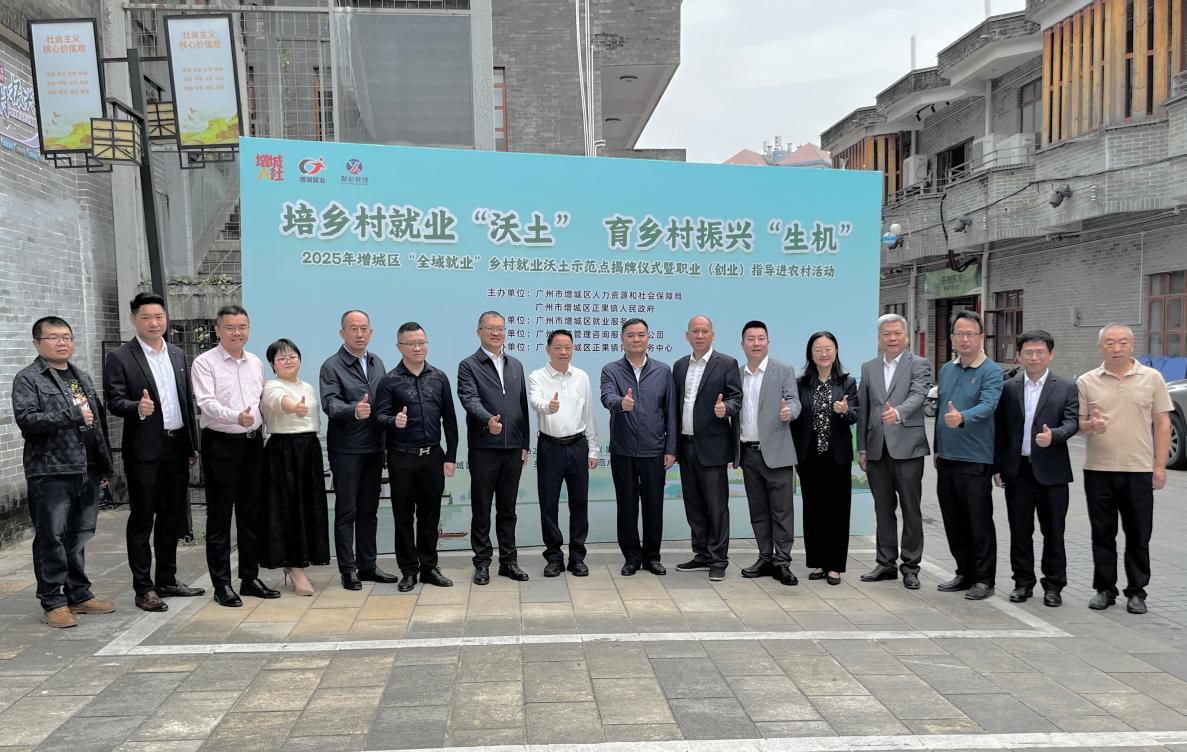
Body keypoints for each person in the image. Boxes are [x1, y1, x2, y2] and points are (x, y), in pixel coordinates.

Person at [12, 316, 115, 628]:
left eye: (67, 337)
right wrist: (70, 414)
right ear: (37, 343)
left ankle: (78, 594)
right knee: (51, 537)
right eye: (54, 337)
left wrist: (104, 465)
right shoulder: (29, 378)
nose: (62, 343)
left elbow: (96, 423)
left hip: (87, 469)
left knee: (80, 534)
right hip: (51, 471)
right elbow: (27, 420)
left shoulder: (78, 376)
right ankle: (53, 601)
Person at [104, 292, 204, 613]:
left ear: (166, 319)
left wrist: (192, 444)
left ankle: (167, 579)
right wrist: (138, 407)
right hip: (144, 450)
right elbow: (114, 400)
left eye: (159, 316)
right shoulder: (121, 357)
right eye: (146, 317)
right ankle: (144, 588)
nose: (153, 323)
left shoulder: (177, 354)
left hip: (177, 446)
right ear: (133, 319)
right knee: (143, 518)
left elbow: (186, 401)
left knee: (172, 517)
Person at [1076, 323, 1173, 615]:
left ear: (1131, 345)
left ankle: (1137, 592)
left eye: (1122, 342)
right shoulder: (1087, 381)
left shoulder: (1152, 378)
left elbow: (1163, 423)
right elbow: (1079, 425)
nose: (1116, 348)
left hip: (1139, 469)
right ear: (1100, 347)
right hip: (1098, 469)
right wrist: (1092, 425)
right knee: (1102, 533)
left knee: (1138, 534)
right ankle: (1104, 589)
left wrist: (1159, 466)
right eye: (1109, 343)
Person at [191, 304, 278, 607]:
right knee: (219, 516)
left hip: (252, 444)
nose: (236, 332)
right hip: (221, 444)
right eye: (230, 327)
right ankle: (222, 584)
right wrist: (234, 417)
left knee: (251, 513)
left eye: (242, 327)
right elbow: (205, 402)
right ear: (217, 330)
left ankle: (249, 578)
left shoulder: (255, 362)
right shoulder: (205, 363)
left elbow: (261, 401)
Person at [993, 330, 1078, 608]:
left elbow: (1072, 422)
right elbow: (1001, 430)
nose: (1034, 357)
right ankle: (1022, 582)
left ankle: (1054, 586)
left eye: (1040, 352)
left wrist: (1054, 436)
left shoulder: (1066, 386)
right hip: (1018, 471)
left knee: (1053, 532)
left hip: (1052, 472)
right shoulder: (1009, 388)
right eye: (1028, 352)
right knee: (1020, 531)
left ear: (1051, 354)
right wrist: (998, 466)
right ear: (1019, 355)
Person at [375, 322, 459, 592]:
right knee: (403, 517)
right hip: (402, 458)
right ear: (399, 347)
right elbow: (379, 416)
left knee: (430, 516)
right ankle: (409, 571)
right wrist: (394, 421)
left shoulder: (439, 377)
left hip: (433, 456)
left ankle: (429, 567)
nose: (417, 348)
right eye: (411, 343)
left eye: (422, 342)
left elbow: (450, 419)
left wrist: (451, 455)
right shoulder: (389, 380)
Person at [319, 310, 395, 591]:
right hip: (347, 449)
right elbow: (330, 404)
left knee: (369, 510)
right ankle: (347, 570)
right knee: (346, 511)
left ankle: (368, 566)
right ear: (342, 333)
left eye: (364, 328)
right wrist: (354, 410)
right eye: (353, 329)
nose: (359, 334)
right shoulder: (332, 366)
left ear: (371, 332)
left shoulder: (377, 362)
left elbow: (385, 401)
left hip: (374, 447)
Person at [856, 313, 931, 590]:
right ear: (879, 339)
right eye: (886, 334)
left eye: (897, 333)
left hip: (908, 448)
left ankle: (910, 566)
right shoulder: (869, 367)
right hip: (877, 450)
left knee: (911, 509)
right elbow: (864, 409)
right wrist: (862, 448)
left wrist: (898, 412)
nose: (892, 338)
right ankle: (885, 563)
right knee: (883, 508)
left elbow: (918, 395)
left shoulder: (919, 364)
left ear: (907, 336)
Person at [933, 310, 1003, 601]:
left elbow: (989, 405)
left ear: (981, 337)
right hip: (947, 457)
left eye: (970, 334)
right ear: (951, 338)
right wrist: (937, 447)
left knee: (978, 520)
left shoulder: (991, 371)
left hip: (975, 458)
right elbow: (940, 411)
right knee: (953, 519)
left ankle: (984, 579)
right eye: (959, 334)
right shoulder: (946, 370)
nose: (965, 339)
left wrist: (962, 417)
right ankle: (964, 572)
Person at [457, 311, 530, 585]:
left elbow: (522, 406)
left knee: (508, 509)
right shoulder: (468, 365)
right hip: (484, 448)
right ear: (479, 332)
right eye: (490, 328)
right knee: (482, 508)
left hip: (513, 449)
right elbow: (469, 399)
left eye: (500, 328)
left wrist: (525, 442)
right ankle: (482, 563)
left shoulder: (516, 365)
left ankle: (509, 561)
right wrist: (488, 420)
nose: (496, 333)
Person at [600, 318, 677, 576]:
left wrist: (671, 448)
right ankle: (632, 557)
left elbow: (671, 412)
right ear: (622, 339)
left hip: (654, 450)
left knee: (654, 506)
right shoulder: (611, 370)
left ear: (648, 338)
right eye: (631, 335)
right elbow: (607, 396)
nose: (636, 339)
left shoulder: (663, 371)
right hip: (623, 450)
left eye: (641, 334)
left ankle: (652, 557)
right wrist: (621, 403)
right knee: (627, 506)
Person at [672, 315, 742, 582]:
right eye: (695, 331)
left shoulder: (726, 363)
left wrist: (726, 409)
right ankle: (701, 553)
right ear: (687, 335)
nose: (700, 336)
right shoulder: (680, 365)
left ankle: (718, 559)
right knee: (693, 504)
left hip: (713, 447)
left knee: (716, 507)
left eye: (704, 331)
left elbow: (736, 397)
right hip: (686, 445)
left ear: (713, 334)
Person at [259, 339, 330, 597]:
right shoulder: (271, 386)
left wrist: (302, 409)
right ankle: (293, 566)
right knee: (288, 510)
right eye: (281, 358)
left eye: (293, 356)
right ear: (272, 364)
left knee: (309, 507)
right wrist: (294, 408)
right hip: (283, 451)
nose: (288, 361)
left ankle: (303, 561)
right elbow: (280, 401)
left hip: (309, 449)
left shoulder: (307, 387)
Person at [528, 329, 599, 577]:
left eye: (567, 347)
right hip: (550, 447)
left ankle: (577, 557)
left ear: (573, 349)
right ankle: (554, 557)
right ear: (548, 350)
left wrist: (593, 449)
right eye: (558, 347)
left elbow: (588, 414)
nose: (563, 352)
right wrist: (549, 406)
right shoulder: (537, 376)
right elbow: (535, 401)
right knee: (549, 504)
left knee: (579, 503)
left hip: (578, 446)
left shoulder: (581, 377)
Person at [734, 321, 800, 586]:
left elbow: (794, 400)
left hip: (777, 453)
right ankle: (764, 556)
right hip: (748, 453)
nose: (756, 343)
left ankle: (782, 561)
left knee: (782, 511)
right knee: (758, 510)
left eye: (761, 338)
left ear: (768, 342)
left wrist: (789, 412)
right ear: (742, 344)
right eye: (751, 339)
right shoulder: (736, 374)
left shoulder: (783, 370)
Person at [792, 331, 858, 586]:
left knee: (837, 511)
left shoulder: (847, 382)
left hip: (837, 457)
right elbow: (796, 422)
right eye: (818, 349)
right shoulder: (801, 384)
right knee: (814, 510)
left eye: (828, 348)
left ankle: (835, 566)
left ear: (836, 351)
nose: (823, 353)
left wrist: (844, 411)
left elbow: (855, 415)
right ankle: (818, 562)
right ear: (811, 354)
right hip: (809, 457)